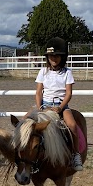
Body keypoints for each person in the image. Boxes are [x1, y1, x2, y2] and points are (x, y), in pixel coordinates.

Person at [34, 37, 83, 171]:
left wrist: (60, 107)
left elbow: (68, 93)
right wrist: (39, 108)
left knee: (72, 125)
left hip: (61, 106)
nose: (53, 59)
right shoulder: (43, 71)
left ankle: (75, 154)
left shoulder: (67, 73)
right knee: (24, 121)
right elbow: (38, 92)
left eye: (56, 56)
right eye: (51, 56)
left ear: (62, 57)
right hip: (44, 105)